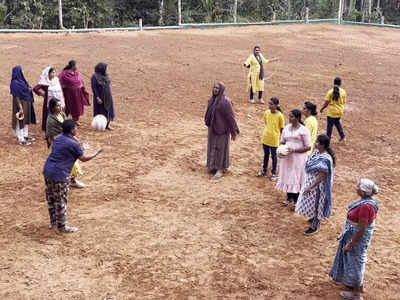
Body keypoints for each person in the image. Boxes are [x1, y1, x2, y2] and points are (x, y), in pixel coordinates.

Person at [43, 120, 103, 234]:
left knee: (51, 199)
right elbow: (83, 158)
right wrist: (96, 153)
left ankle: (53, 222)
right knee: (61, 201)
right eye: (75, 128)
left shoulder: (59, 138)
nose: (77, 129)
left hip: (48, 171)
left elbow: (69, 149)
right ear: (71, 130)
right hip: (60, 175)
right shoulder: (73, 144)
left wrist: (80, 148)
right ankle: (62, 228)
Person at [329, 179, 379, 300]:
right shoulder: (368, 203)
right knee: (355, 262)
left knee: (355, 264)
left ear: (363, 191)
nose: (356, 188)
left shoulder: (365, 207)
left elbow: (362, 229)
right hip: (354, 236)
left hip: (356, 239)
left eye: (358, 187)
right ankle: (358, 287)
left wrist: (351, 244)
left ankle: (356, 294)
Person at [295, 135, 335, 235]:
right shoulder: (317, 152)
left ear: (322, 145)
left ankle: (315, 225)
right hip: (312, 183)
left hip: (319, 186)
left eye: (317, 142)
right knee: (314, 203)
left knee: (318, 204)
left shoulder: (325, 159)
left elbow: (322, 175)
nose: (315, 143)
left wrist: (311, 187)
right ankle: (314, 217)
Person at [275, 109, 311, 208]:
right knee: (287, 176)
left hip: (298, 159)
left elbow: (308, 147)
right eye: (289, 116)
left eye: (292, 117)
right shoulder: (286, 128)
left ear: (298, 118)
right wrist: (280, 150)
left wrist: (294, 150)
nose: (289, 118)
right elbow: (282, 141)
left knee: (295, 177)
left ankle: (296, 201)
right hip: (287, 158)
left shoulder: (304, 130)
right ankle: (288, 198)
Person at [46, 98, 85, 188]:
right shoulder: (50, 120)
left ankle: (70, 180)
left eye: (60, 105)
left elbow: (67, 129)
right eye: (58, 106)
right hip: (58, 144)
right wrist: (67, 142)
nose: (60, 107)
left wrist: (74, 140)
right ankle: (71, 181)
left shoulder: (62, 114)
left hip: (65, 141)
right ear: (52, 108)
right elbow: (52, 137)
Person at [205, 82, 239, 180]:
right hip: (213, 128)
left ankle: (219, 169)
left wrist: (234, 132)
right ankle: (212, 166)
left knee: (220, 148)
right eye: (214, 87)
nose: (215, 89)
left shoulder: (225, 102)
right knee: (212, 146)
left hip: (222, 129)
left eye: (217, 88)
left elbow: (231, 117)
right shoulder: (211, 99)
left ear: (221, 90)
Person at [256, 97, 284, 181]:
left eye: (271, 104)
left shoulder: (280, 116)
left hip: (274, 139)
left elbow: (281, 128)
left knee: (274, 156)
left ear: (276, 105)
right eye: (269, 103)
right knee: (266, 155)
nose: (269, 105)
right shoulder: (266, 113)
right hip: (266, 138)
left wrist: (280, 138)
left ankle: (274, 173)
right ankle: (264, 170)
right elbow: (266, 122)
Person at [10, 66, 37, 145]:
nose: (23, 72)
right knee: (20, 120)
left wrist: (29, 89)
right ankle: (21, 138)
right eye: (21, 70)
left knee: (26, 119)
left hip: (27, 103)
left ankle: (25, 135)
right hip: (21, 104)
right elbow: (16, 96)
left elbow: (27, 88)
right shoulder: (14, 83)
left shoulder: (22, 81)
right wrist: (20, 107)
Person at [34, 66, 65, 132]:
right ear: (48, 74)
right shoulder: (44, 82)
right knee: (48, 115)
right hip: (48, 103)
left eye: (54, 72)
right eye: (52, 73)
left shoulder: (56, 80)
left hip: (57, 102)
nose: (54, 74)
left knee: (58, 115)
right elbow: (35, 88)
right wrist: (42, 94)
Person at [58, 60, 90, 125]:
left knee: (77, 106)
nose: (77, 67)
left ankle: (75, 120)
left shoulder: (76, 73)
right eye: (76, 65)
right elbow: (59, 81)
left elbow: (80, 82)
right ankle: (63, 120)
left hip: (77, 94)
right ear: (72, 66)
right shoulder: (64, 74)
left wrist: (82, 89)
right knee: (66, 106)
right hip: (68, 94)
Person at [320, 77, 346, 142]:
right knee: (337, 123)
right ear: (340, 84)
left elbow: (326, 103)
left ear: (333, 83)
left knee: (329, 127)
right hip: (340, 111)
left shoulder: (330, 92)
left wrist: (322, 109)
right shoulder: (343, 92)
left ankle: (327, 141)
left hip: (332, 112)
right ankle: (342, 136)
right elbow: (344, 102)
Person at [91, 62, 115, 130]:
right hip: (100, 97)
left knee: (108, 110)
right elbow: (94, 88)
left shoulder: (106, 75)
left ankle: (107, 124)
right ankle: (100, 125)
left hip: (107, 96)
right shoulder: (94, 77)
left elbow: (108, 83)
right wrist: (97, 97)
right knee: (101, 111)